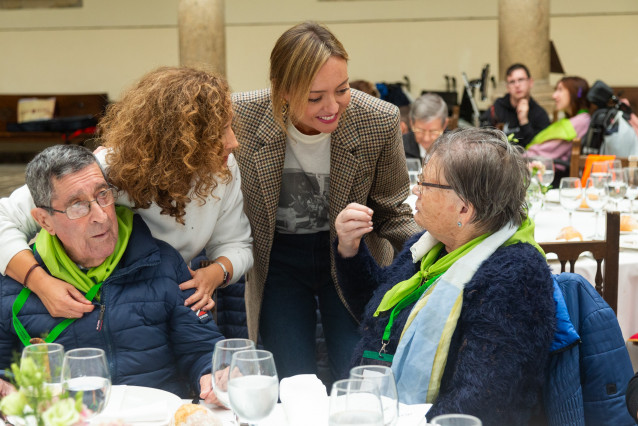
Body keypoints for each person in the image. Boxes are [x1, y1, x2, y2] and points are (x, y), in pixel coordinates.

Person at [232, 21, 419, 384]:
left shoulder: (377, 120)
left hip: (351, 256)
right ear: (282, 91)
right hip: (277, 259)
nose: (332, 107)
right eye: (314, 97)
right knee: (291, 377)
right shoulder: (242, 117)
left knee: (358, 372)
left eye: (342, 89)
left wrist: (435, 254)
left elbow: (394, 212)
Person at [334, 128, 555, 425]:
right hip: (378, 409)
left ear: (464, 207)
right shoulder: (431, 244)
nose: (416, 190)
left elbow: (481, 399)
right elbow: (377, 309)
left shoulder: (515, 277)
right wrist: (350, 250)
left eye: (426, 182)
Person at [0, 67, 252, 318]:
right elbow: (4, 218)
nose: (233, 142)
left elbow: (236, 243)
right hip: (96, 304)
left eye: (230, 127)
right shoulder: (105, 168)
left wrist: (216, 273)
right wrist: (41, 283)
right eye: (218, 133)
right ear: (179, 140)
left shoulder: (221, 167)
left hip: (165, 303)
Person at [0, 145, 223, 401]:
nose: (101, 216)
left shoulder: (161, 262)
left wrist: (212, 375)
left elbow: (202, 349)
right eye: (77, 206)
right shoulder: (13, 283)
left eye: (103, 195)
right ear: (44, 221)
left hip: (153, 418)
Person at [525, 76, 591, 169]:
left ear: (574, 93)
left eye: (560, 90)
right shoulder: (574, 120)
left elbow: (546, 152)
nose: (554, 96)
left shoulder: (580, 121)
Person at [481, 63, 550, 147]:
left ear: (530, 82)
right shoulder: (498, 107)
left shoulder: (540, 114)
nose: (517, 85)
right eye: (512, 82)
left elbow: (539, 149)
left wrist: (524, 121)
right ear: (508, 87)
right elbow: (482, 137)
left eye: (521, 80)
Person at [403, 93, 449, 162]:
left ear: (444, 124)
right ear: (411, 123)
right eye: (420, 130)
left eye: (433, 131)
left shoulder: (455, 149)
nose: (426, 138)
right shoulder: (400, 147)